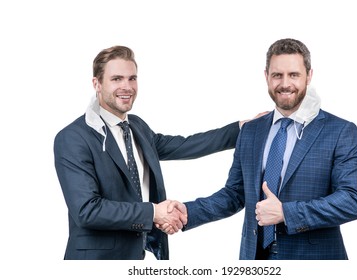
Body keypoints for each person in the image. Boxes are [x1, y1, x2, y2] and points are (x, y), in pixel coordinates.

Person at [166, 38, 357, 260]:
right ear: (266, 77)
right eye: (277, 75)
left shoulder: (339, 131)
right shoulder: (251, 131)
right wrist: (188, 212)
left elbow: (353, 200)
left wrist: (286, 213)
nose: (285, 83)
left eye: (294, 75)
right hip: (255, 259)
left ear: (309, 76)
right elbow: (235, 194)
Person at [54, 45, 246, 260]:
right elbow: (87, 210)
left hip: (140, 257)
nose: (127, 87)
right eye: (116, 79)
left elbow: (184, 145)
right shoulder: (73, 137)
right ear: (97, 84)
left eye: (132, 78)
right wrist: (154, 212)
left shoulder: (137, 127)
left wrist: (242, 129)